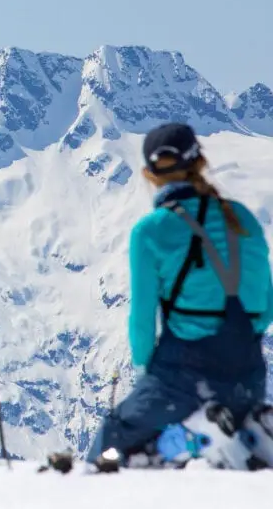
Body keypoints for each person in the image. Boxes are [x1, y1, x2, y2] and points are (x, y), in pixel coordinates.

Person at [87, 122, 273, 469]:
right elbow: (266, 308)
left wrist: (148, 374)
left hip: (184, 377)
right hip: (249, 375)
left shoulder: (151, 231)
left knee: (114, 441)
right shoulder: (243, 219)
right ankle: (242, 430)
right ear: (199, 161)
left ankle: (197, 436)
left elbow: (142, 320)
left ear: (148, 173)